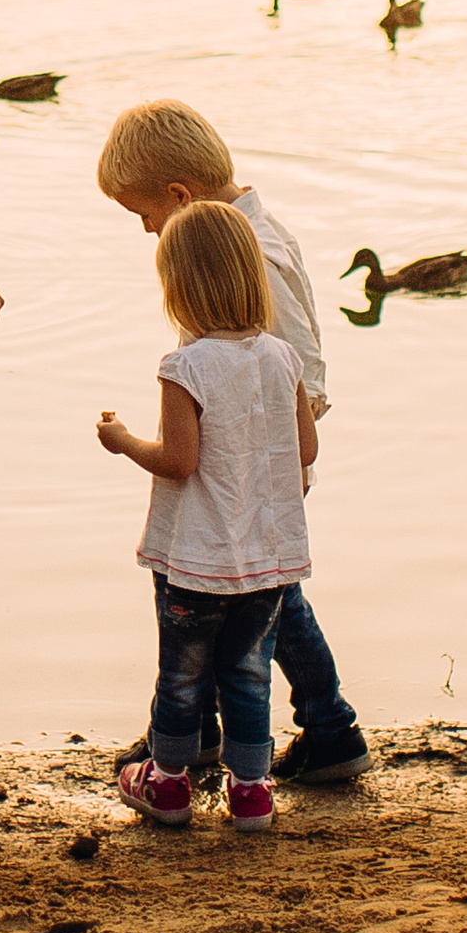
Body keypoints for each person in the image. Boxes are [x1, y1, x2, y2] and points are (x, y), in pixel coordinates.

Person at [94, 101, 371, 785]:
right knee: (246, 599)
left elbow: (294, 369)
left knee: (220, 598)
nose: (146, 231)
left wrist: (260, 460)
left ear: (180, 198)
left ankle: (314, 728)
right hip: (247, 468)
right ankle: (219, 730)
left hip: (247, 473)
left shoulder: (256, 254)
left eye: (145, 216)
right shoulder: (245, 236)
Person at [96, 200, 315, 831]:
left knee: (182, 675)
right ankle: (252, 792)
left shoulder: (184, 367)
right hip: (267, 562)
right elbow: (305, 449)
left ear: (179, 290)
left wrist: (124, 440)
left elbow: (179, 460)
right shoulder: (282, 358)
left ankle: (168, 785)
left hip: (195, 561)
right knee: (248, 675)